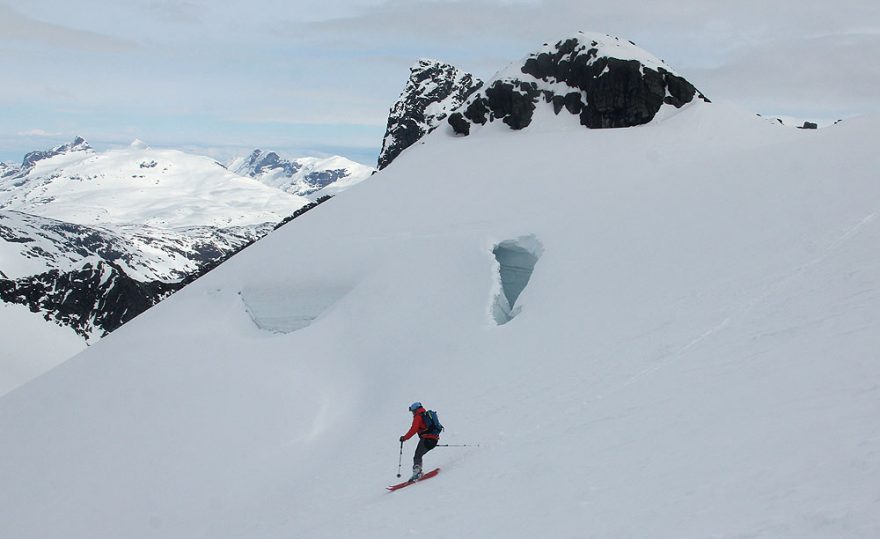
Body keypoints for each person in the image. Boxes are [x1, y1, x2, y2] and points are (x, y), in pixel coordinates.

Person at [399, 401, 440, 481]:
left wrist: (404, 438)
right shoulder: (426, 415)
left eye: (413, 411)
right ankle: (418, 472)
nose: (412, 413)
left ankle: (417, 473)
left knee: (417, 455)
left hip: (426, 439)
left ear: (415, 410)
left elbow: (414, 429)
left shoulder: (418, 417)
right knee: (419, 455)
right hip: (434, 440)